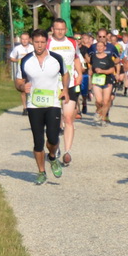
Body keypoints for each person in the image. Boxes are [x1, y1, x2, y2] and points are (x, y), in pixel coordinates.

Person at [13, 29, 69, 185]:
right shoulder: (25, 61)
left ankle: (52, 157)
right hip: (34, 104)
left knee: (52, 137)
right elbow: (18, 81)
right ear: (32, 42)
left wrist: (65, 89)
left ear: (47, 42)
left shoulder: (56, 58)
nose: (39, 45)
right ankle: (41, 172)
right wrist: (22, 87)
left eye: (42, 42)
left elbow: (65, 73)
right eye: (36, 42)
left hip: (53, 103)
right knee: (38, 141)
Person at [47, 19, 84, 166]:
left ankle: (67, 151)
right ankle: (54, 146)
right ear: (53, 29)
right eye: (57, 29)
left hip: (70, 84)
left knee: (68, 118)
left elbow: (76, 58)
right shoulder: (48, 43)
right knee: (54, 119)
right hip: (52, 84)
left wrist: (79, 73)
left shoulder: (72, 42)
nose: (60, 31)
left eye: (63, 29)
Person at [87, 29, 120, 125]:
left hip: (108, 78)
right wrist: (90, 69)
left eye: (103, 36)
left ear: (107, 37)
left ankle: (103, 117)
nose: (101, 38)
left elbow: (117, 58)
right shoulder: (93, 48)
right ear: (97, 37)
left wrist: (116, 71)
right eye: (100, 36)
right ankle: (99, 112)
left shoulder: (112, 48)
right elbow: (87, 56)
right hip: (97, 79)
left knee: (107, 100)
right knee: (99, 101)